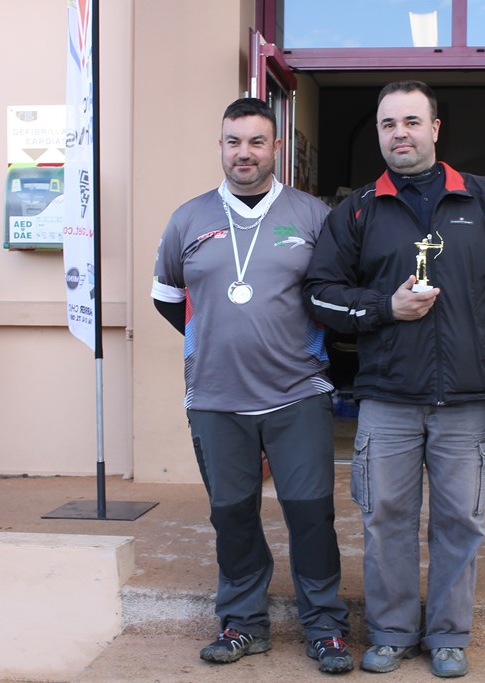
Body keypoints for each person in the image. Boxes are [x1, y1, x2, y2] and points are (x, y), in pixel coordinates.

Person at [303, 81, 485, 678]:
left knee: (461, 520)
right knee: (385, 518)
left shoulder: (483, 200)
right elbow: (320, 294)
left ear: (435, 129)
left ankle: (447, 635)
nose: (400, 134)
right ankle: (390, 633)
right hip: (387, 397)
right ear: (380, 134)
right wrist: (385, 307)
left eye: (412, 122)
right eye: (389, 124)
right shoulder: (358, 210)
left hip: (466, 398)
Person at [151, 97, 353, 674]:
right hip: (215, 399)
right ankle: (243, 623)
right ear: (220, 146)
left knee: (310, 515)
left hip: (298, 394)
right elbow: (167, 298)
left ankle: (325, 627)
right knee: (232, 515)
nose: (245, 153)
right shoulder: (188, 218)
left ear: (276, 148)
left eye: (257, 141)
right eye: (234, 141)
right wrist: (218, 337)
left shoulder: (312, 215)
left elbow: (334, 296)